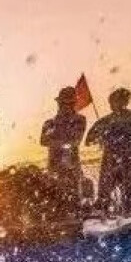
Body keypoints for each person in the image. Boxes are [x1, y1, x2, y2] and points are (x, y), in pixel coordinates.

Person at [85, 88, 131, 216]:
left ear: (124, 101)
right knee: (107, 192)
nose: (113, 104)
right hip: (113, 159)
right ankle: (111, 216)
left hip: (128, 158)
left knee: (129, 192)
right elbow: (89, 140)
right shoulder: (105, 121)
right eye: (113, 101)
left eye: (116, 101)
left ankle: (125, 215)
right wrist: (101, 140)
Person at [40, 87, 87, 219]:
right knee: (54, 197)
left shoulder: (79, 119)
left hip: (71, 164)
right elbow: (43, 140)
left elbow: (76, 140)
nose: (66, 106)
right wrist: (63, 141)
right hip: (54, 164)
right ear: (59, 104)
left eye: (69, 103)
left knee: (74, 197)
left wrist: (56, 141)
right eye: (63, 103)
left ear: (73, 104)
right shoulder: (50, 123)